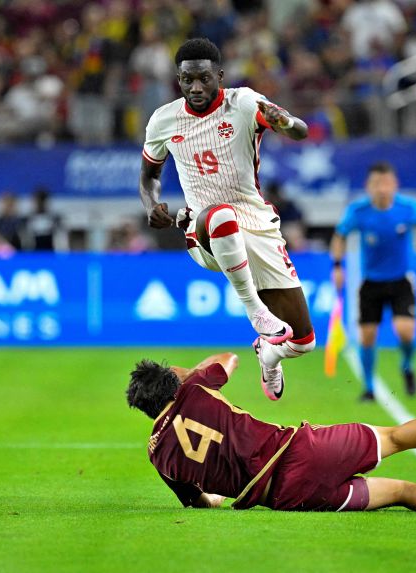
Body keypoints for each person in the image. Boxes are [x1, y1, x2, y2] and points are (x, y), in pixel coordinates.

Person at [126, 352, 416, 512]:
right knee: (398, 437)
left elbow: (196, 502)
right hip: (300, 451)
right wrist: (183, 374)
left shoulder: (157, 456)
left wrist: (217, 496)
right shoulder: (196, 388)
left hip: (288, 497)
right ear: (171, 383)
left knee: (399, 492)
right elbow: (229, 359)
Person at [139, 37, 314, 402]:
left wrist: (286, 121)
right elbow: (149, 176)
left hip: (256, 224)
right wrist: (151, 204)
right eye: (187, 80)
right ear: (179, 79)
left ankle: (269, 354)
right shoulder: (163, 120)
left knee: (303, 342)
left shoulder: (244, 103)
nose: (195, 87)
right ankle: (256, 314)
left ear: (220, 75)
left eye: (203, 78)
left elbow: (300, 131)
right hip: (202, 228)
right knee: (220, 215)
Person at [329, 162, 416, 402]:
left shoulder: (409, 208)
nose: (381, 189)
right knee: (368, 336)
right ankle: (369, 387)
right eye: (376, 184)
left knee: (405, 331)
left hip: (401, 279)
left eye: (386, 183)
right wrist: (337, 266)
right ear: (368, 186)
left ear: (394, 185)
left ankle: (407, 365)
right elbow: (340, 236)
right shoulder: (358, 211)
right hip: (371, 282)